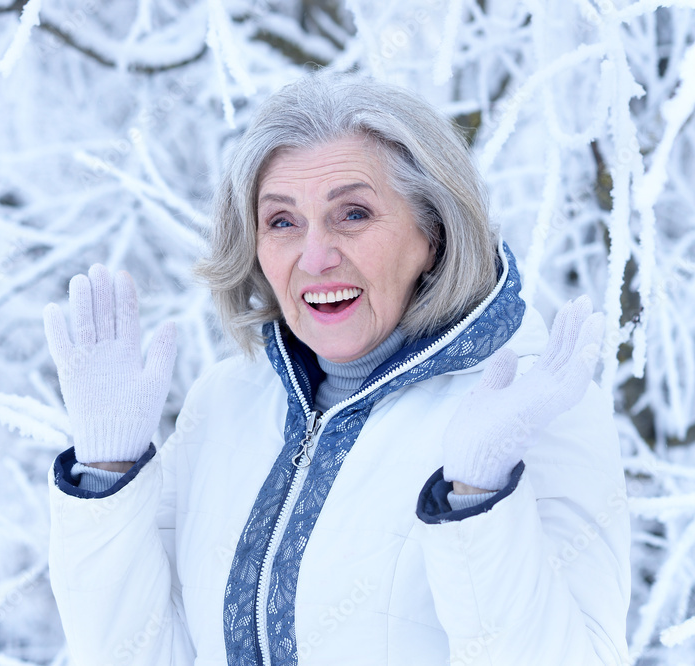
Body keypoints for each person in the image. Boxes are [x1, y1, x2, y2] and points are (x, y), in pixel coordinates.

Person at [42, 72, 630, 665]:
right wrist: (106, 473)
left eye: (353, 214)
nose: (316, 256)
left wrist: (476, 499)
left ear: (432, 232)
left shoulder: (533, 404)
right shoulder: (224, 403)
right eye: (281, 222)